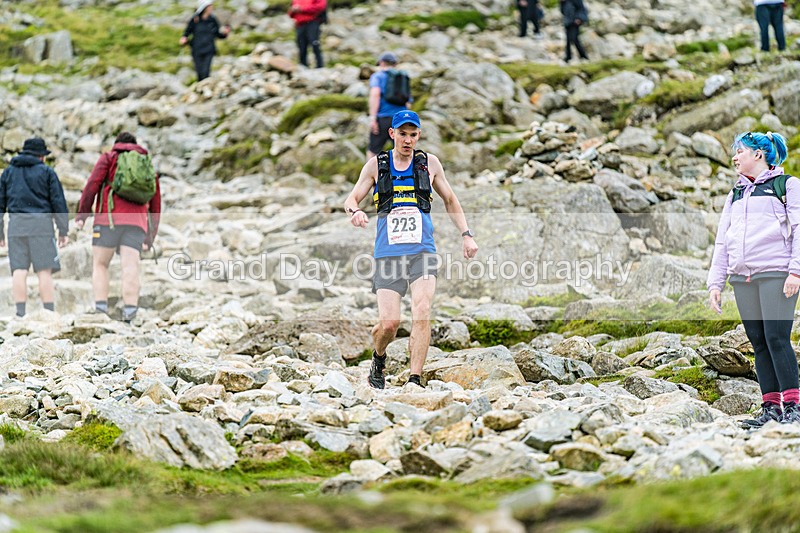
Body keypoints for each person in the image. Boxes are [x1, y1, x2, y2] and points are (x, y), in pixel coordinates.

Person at [345, 110, 478, 389]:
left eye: (413, 134)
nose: (408, 140)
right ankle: (379, 356)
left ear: (419, 135)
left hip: (423, 252)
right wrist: (355, 211)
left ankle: (414, 378)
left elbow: (451, 200)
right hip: (388, 253)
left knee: (422, 309)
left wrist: (466, 235)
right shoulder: (376, 165)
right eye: (402, 134)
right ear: (392, 134)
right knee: (391, 323)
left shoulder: (430, 163)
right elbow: (352, 198)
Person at [708, 131, 800, 427]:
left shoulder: (786, 186)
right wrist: (715, 283)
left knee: (776, 338)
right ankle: (771, 409)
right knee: (759, 343)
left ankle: (794, 408)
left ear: (758, 154)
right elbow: (722, 241)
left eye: (740, 152)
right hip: (742, 279)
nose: (735, 157)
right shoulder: (736, 193)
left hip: (776, 273)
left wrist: (796, 271)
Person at [75, 132, 161, 323]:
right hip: (136, 223)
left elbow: (92, 185)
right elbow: (156, 203)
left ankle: (101, 309)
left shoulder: (109, 157)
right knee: (130, 266)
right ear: (135, 145)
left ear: (117, 144)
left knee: (100, 264)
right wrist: (149, 237)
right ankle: (130, 312)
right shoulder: (144, 162)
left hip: (108, 221)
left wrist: (82, 215)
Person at [0, 137, 69, 317]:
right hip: (41, 227)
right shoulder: (47, 172)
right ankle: (48, 313)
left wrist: (0, 232)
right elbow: (58, 202)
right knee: (44, 270)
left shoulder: (8, 173)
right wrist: (63, 230)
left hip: (16, 226)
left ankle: (20, 313)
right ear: (41, 156)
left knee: (19, 270)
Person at [367, 52, 412, 161]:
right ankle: (405, 176)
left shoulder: (378, 76)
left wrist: (373, 118)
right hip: (401, 118)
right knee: (403, 150)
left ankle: (370, 177)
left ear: (381, 63)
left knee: (373, 151)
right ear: (395, 64)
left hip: (383, 117)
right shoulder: (402, 77)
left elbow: (375, 94)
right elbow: (408, 102)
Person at [180, 0, 230, 82]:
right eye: (209, 6)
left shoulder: (212, 20)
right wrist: (184, 38)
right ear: (204, 8)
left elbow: (217, 34)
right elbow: (187, 31)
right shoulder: (195, 20)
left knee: (205, 72)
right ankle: (200, 90)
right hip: (197, 49)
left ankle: (206, 89)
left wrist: (225, 34)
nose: (211, 8)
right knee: (199, 73)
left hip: (209, 49)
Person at [289, 0, 326, 69]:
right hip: (300, 24)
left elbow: (320, 7)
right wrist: (293, 10)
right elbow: (291, 14)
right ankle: (303, 65)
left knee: (314, 43)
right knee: (301, 45)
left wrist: (302, 9)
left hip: (313, 22)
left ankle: (320, 66)